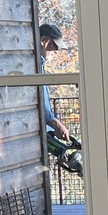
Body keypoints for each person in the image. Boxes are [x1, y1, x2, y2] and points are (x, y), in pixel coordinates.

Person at [37, 23, 83, 175]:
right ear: (44, 41)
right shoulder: (35, 65)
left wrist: (54, 126)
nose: (56, 52)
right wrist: (54, 122)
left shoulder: (40, 65)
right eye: (55, 46)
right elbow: (39, 99)